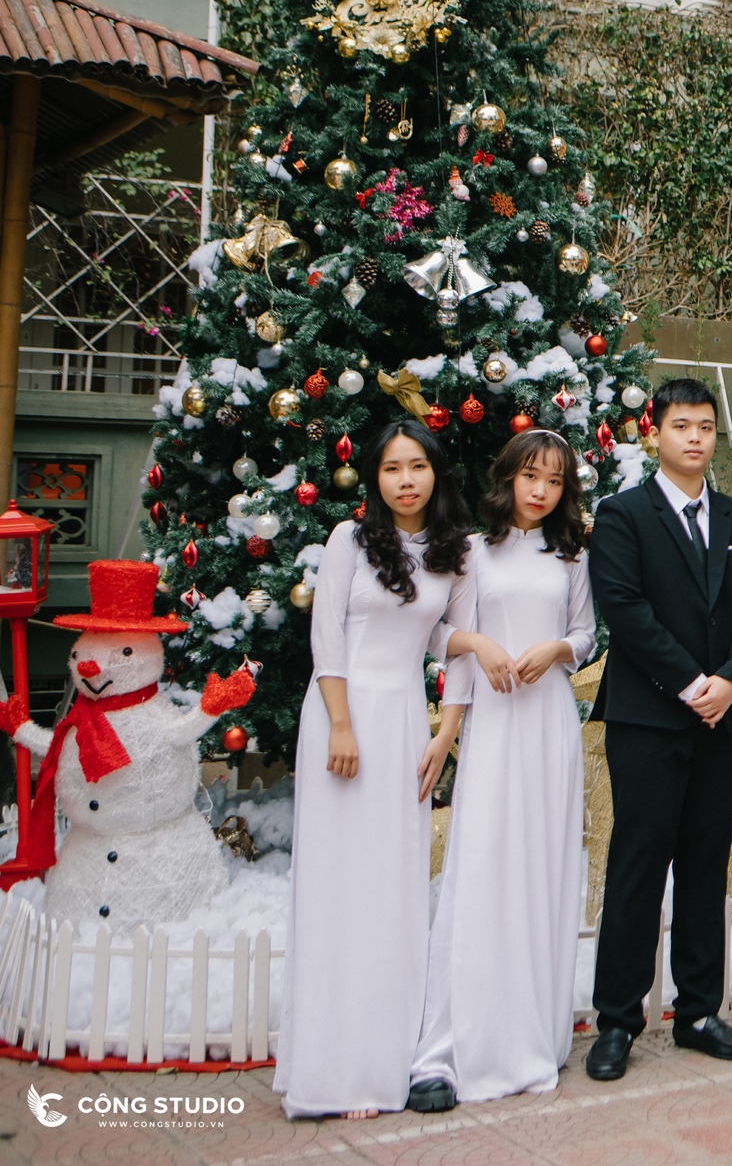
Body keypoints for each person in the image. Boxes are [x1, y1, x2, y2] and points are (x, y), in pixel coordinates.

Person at [278, 420, 477, 1119]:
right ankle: (328, 1068)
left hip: (404, 724)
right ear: (375, 478)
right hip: (342, 714)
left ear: (435, 472)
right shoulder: (349, 541)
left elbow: (455, 646)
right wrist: (340, 723)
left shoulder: (456, 554)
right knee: (337, 883)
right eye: (392, 469)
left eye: (417, 466)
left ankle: (381, 1061)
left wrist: (445, 733)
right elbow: (326, 635)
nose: (405, 480)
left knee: (391, 885)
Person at [582, 378, 732, 1081]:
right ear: (654, 433)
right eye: (681, 426)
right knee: (638, 864)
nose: (695, 438)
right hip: (650, 717)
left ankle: (698, 1011)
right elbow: (625, 610)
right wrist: (692, 684)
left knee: (704, 861)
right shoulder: (622, 515)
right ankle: (617, 1020)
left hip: (722, 718)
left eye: (705, 427)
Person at [409, 430, 598, 1108]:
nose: (540, 491)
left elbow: (585, 634)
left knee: (541, 867)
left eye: (554, 481)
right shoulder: (471, 551)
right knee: (482, 863)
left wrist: (556, 650)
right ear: (509, 478)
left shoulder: (570, 555)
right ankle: (450, 1047)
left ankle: (532, 1035)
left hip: (548, 722)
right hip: (493, 722)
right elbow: (436, 633)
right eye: (530, 477)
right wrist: (480, 646)